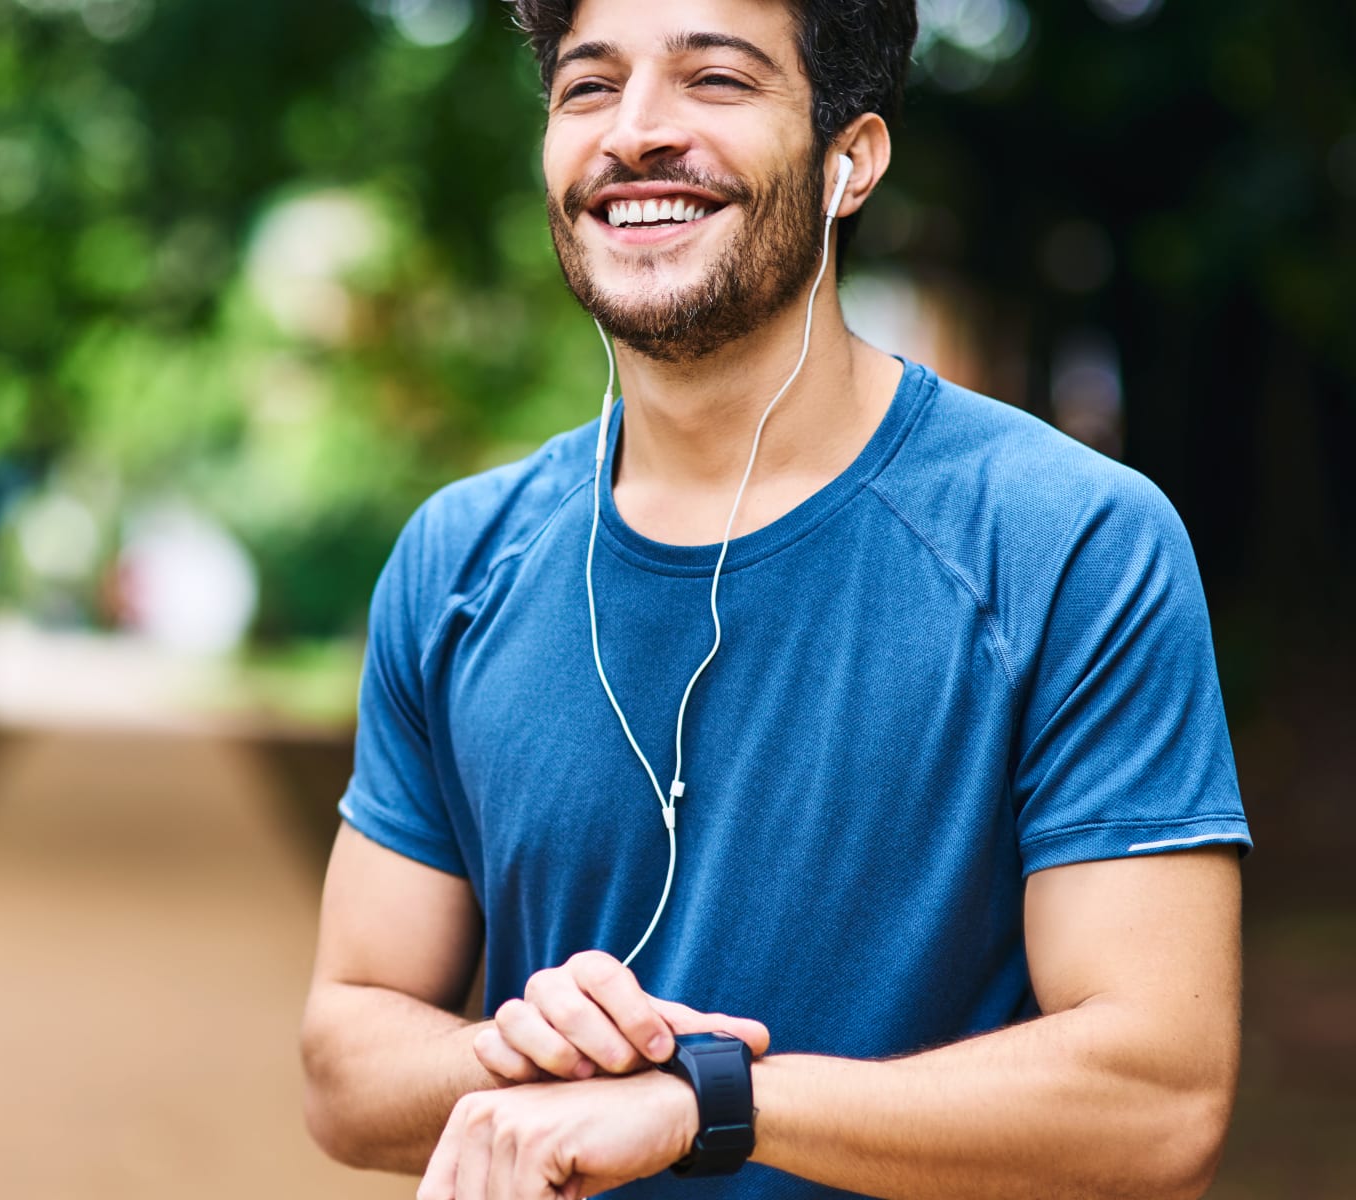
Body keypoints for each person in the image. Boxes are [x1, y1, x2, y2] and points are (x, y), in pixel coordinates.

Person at [299, 0, 1253, 1197]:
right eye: (588, 87)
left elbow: (1154, 1097)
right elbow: (344, 1065)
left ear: (847, 160)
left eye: (715, 80)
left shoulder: (1070, 542)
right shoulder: (456, 559)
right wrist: (523, 1056)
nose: (635, 131)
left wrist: (703, 1102)